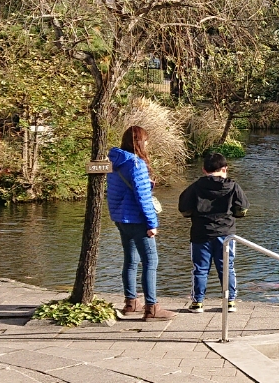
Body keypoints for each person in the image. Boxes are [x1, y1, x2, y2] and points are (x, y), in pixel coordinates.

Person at [106, 125, 173, 321]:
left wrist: (146, 183)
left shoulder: (116, 161)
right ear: (139, 142)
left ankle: (131, 302)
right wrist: (152, 223)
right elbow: (143, 198)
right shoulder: (137, 164)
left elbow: (122, 189)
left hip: (120, 218)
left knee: (130, 260)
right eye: (145, 141)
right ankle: (152, 308)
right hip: (137, 220)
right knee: (151, 261)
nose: (147, 144)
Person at [179, 151, 248, 313]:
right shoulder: (233, 186)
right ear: (225, 168)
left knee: (200, 269)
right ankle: (230, 301)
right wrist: (234, 214)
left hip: (200, 234)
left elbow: (184, 209)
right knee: (227, 268)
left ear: (203, 169)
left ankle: (197, 303)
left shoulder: (195, 187)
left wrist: (194, 215)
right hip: (226, 234)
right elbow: (243, 209)